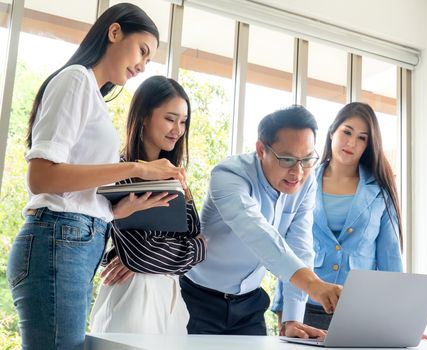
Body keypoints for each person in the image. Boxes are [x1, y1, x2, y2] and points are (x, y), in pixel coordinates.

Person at [6, 4, 184, 350]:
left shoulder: (91, 93)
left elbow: (72, 187)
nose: (142, 65)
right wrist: (138, 168)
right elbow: (41, 177)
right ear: (114, 32)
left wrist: (116, 211)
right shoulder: (75, 79)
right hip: (59, 239)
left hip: (74, 239)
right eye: (142, 51)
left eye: (149, 60)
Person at [180, 105, 342, 339]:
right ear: (260, 149)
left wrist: (292, 318)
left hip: (250, 305)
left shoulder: (306, 183)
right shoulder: (228, 175)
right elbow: (257, 233)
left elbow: (300, 244)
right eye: (287, 159)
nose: (297, 172)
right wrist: (313, 284)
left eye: (307, 159)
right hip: (197, 300)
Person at [89, 76, 207, 335]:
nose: (178, 129)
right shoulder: (118, 172)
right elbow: (139, 253)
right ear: (143, 116)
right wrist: (183, 250)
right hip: (133, 295)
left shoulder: (175, 177)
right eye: (169, 118)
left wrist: (183, 249)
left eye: (183, 121)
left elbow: (201, 248)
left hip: (172, 299)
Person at [272, 102, 404, 331]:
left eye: (362, 138)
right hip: (306, 308)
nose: (352, 143)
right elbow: (289, 249)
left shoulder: (380, 191)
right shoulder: (302, 179)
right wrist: (284, 311)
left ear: (369, 145)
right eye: (347, 132)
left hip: (361, 313)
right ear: (332, 131)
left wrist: (403, 318)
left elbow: (390, 260)